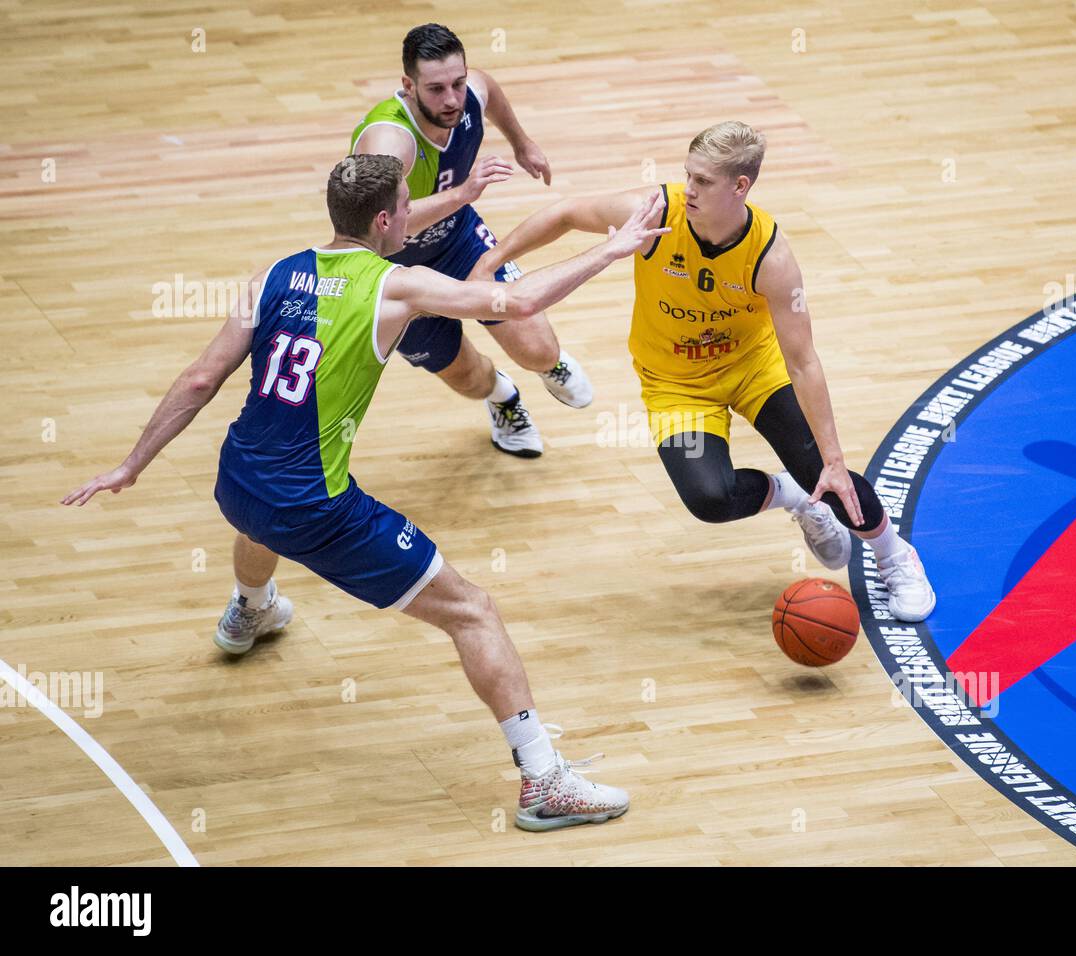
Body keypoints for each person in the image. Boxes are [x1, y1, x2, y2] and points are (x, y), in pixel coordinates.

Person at [61, 154, 670, 830]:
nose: (413, 215)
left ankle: (251, 608)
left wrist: (131, 464)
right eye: (406, 207)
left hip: (235, 478)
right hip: (316, 507)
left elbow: (202, 379)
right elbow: (518, 301)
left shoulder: (274, 272)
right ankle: (543, 780)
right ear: (385, 220)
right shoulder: (399, 286)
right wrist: (613, 250)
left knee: (262, 512)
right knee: (472, 610)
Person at [471, 122, 936, 621]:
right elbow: (564, 212)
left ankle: (894, 554)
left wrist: (834, 458)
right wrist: (491, 260)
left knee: (826, 473)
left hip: (753, 369)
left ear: (741, 186)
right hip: (676, 383)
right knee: (710, 499)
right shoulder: (655, 213)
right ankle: (793, 496)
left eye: (704, 182)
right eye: (688, 175)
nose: (689, 190)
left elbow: (803, 361)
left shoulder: (770, 256)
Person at [351, 22, 588, 457]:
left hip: (458, 240)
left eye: (457, 83)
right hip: (396, 274)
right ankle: (503, 398)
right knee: (467, 380)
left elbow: (489, 90)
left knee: (538, 350)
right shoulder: (388, 142)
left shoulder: (470, 92)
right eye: (436, 88)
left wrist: (522, 142)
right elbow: (377, 222)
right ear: (408, 85)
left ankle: (546, 366)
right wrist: (462, 193)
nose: (452, 99)